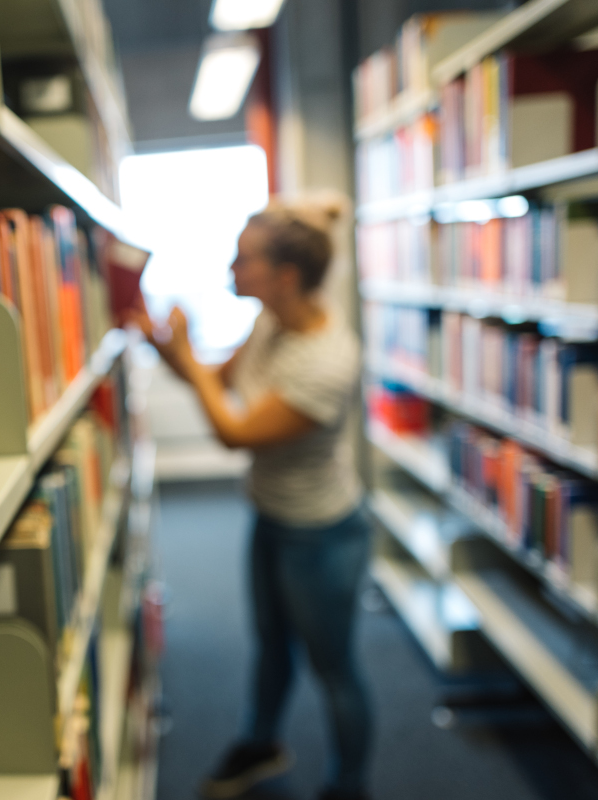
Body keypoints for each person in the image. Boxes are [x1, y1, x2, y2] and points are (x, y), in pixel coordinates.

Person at [133, 196, 372, 800]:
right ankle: (260, 744)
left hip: (321, 533)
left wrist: (184, 355)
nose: (230, 272)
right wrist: (166, 344)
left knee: (334, 668)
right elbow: (217, 380)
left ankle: (350, 785)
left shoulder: (326, 361)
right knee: (271, 643)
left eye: (243, 261)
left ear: (284, 276)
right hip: (271, 515)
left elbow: (235, 433)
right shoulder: (273, 319)